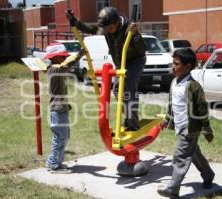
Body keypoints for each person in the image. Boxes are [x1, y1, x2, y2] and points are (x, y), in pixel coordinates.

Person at [66, 7, 147, 131]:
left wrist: (135, 34)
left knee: (128, 88)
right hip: (121, 63)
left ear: (117, 23)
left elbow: (142, 49)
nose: (107, 31)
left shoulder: (129, 28)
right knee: (116, 90)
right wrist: (75, 22)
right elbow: (93, 29)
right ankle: (129, 117)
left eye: (109, 28)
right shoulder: (108, 27)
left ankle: (132, 124)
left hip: (135, 62)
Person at [157, 48, 215, 198]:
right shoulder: (174, 82)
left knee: (180, 156)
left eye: (176, 64)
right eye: (173, 63)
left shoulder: (193, 86)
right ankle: (208, 175)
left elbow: (202, 109)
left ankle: (173, 188)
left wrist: (207, 130)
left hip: (191, 128)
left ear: (188, 67)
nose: (173, 67)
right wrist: (167, 119)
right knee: (194, 153)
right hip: (180, 126)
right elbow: (172, 104)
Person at [45, 43, 85, 171]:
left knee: (65, 136)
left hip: (61, 108)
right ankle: (53, 163)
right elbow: (67, 64)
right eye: (62, 56)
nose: (64, 58)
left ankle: (55, 161)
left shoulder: (56, 68)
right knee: (60, 137)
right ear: (55, 57)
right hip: (57, 110)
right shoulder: (55, 68)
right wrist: (80, 54)